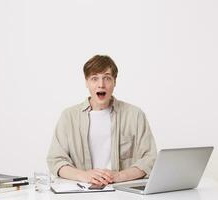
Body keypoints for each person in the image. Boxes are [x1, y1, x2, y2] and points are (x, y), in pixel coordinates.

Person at [47, 55, 157, 186]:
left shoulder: (135, 115)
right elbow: (55, 160)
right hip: (80, 193)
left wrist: (119, 176)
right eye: (94, 78)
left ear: (115, 82)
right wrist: (84, 176)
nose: (101, 85)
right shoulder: (68, 116)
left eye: (107, 78)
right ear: (86, 82)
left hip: (123, 192)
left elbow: (150, 159)